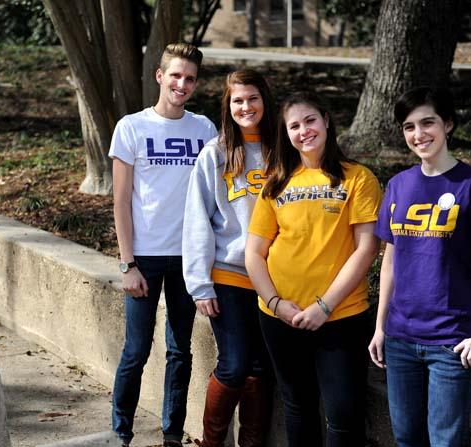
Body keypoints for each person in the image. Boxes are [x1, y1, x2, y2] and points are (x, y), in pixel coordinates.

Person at [368, 86, 471, 447]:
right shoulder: (399, 185)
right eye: (408, 127)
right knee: (406, 439)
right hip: (401, 339)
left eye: (427, 123)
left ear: (447, 124)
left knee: (445, 442)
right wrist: (380, 327)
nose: (418, 135)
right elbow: (390, 256)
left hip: (452, 341)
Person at [245, 92, 382, 447]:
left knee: (344, 416)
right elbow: (255, 254)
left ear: (326, 121)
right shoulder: (276, 181)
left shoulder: (358, 178)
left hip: (340, 318)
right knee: (297, 407)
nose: (303, 131)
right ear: (285, 134)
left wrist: (324, 307)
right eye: (294, 125)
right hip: (280, 318)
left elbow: (367, 248)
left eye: (310, 121)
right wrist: (276, 304)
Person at [108, 42, 218, 447]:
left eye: (189, 78)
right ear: (160, 76)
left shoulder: (205, 129)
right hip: (145, 260)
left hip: (188, 259)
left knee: (180, 352)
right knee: (136, 351)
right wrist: (127, 264)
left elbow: (213, 197)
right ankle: (120, 431)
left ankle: (172, 433)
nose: (182, 84)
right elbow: (121, 201)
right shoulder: (132, 127)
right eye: (175, 75)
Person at [182, 69, 276, 447]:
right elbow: (196, 219)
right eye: (237, 100)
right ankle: (211, 443)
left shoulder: (283, 149)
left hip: (275, 278)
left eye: (252, 98)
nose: (246, 106)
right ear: (227, 106)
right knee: (235, 363)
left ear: (265, 101)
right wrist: (200, 284)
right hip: (230, 273)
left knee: (260, 367)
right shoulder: (216, 153)